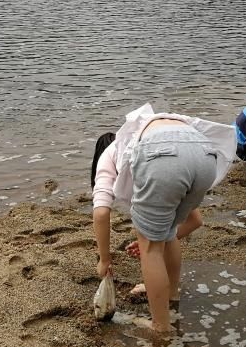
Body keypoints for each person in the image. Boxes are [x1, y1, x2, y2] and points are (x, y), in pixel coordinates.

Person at [91, 103, 234, 333]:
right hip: (205, 152)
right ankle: (172, 293)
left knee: (152, 248)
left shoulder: (110, 155)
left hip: (162, 153)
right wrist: (156, 236)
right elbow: (195, 221)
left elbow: (100, 212)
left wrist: (105, 259)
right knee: (166, 232)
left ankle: (160, 326)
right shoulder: (137, 134)